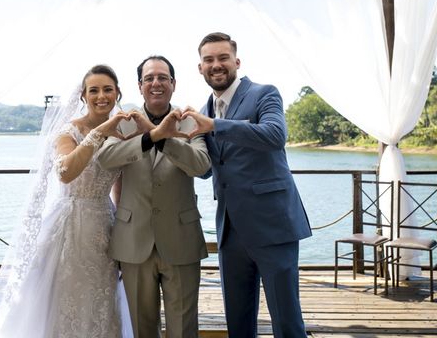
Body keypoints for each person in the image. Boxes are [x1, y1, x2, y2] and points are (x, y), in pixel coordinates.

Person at [0, 65, 133, 338]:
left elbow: (119, 189)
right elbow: (66, 172)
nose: (101, 96)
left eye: (108, 89)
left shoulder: (123, 131)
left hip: (105, 226)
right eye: (94, 90)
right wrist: (100, 132)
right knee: (68, 295)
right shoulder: (68, 131)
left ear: (118, 93)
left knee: (101, 296)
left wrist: (123, 232)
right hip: (70, 226)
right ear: (83, 96)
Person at [183, 32, 312, 338]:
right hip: (230, 229)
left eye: (223, 58)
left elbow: (274, 135)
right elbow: (205, 172)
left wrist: (214, 126)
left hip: (272, 224)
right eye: (209, 60)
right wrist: (179, 140)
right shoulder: (202, 112)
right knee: (238, 322)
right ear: (200, 67)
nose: (216, 65)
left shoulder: (265, 93)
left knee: (287, 321)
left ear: (236, 61)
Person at [98, 55, 211, 338]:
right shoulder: (125, 122)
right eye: (149, 78)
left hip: (181, 239)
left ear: (173, 83)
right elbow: (105, 158)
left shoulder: (189, 122)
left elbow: (201, 165)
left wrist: (161, 136)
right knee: (140, 327)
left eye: (162, 77)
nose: (156, 83)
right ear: (140, 86)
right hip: (133, 240)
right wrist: (148, 137)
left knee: (184, 329)